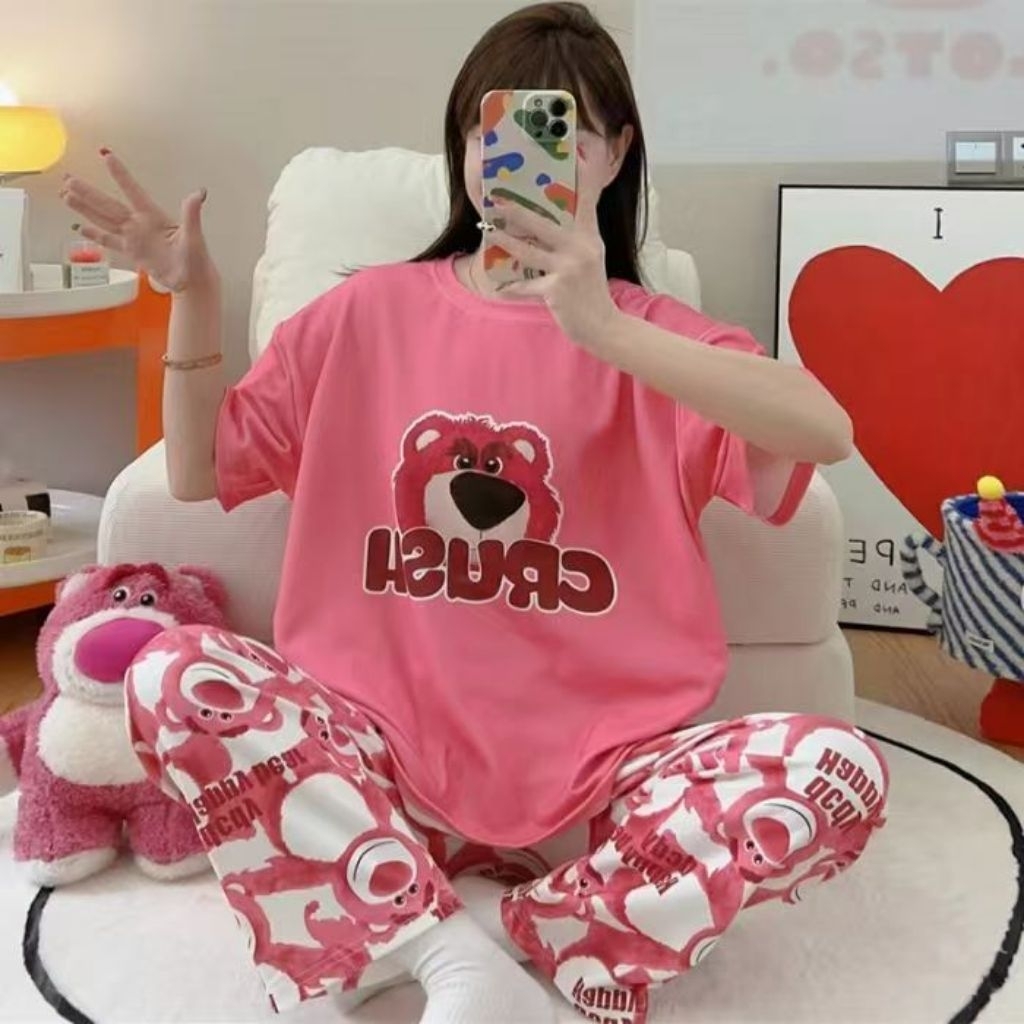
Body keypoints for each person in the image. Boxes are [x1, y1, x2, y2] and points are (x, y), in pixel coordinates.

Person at [62, 4, 888, 1023]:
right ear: (462, 147)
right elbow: (195, 473)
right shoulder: (366, 313)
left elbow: (823, 429)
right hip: (370, 769)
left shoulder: (661, 340)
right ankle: (461, 946)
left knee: (838, 770)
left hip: (605, 793)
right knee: (170, 668)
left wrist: (602, 330)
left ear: (617, 154)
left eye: (566, 132)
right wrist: (193, 292)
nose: (525, 158)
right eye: (490, 129)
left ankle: (471, 926)